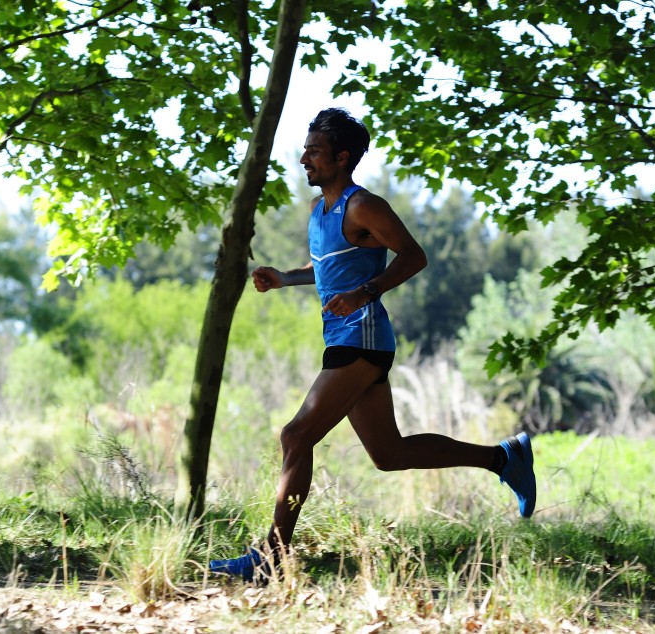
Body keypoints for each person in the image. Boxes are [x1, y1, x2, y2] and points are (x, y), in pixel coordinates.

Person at [209, 108, 536, 582]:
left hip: (362, 337)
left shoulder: (364, 205)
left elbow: (414, 256)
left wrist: (366, 292)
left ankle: (271, 557)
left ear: (342, 158)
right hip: (344, 337)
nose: (304, 159)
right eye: (305, 150)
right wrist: (284, 278)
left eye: (314, 152)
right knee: (389, 455)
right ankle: (503, 457)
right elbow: (326, 270)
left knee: (296, 435)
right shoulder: (321, 211)